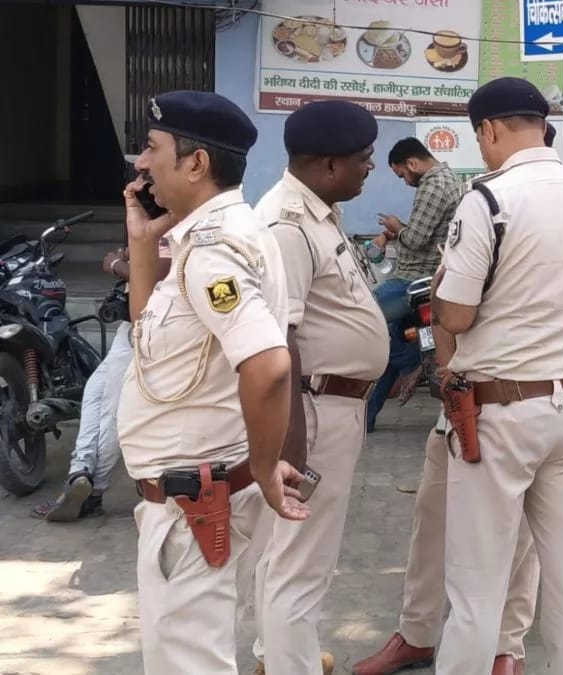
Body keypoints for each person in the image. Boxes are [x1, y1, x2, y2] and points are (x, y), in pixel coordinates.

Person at [352, 123, 561, 675]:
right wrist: (445, 373)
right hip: (467, 395)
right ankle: (417, 633)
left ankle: (505, 648)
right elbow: (446, 301)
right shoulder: (484, 203)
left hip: (523, 399)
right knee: (433, 516)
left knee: (515, 535)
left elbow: (457, 309)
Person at [431, 76, 563, 675]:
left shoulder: (487, 199)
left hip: (500, 414)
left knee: (476, 586)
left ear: (488, 129)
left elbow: (455, 315)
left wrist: (445, 290)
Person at [119, 90, 308, 674]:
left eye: (153, 148)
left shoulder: (213, 250)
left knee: (188, 662)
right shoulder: (213, 237)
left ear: (196, 163)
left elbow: (268, 365)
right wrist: (143, 245)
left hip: (193, 504)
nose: (141, 163)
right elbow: (151, 338)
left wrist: (264, 466)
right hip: (197, 495)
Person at [245, 101, 390, 675]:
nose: (370, 166)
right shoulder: (287, 225)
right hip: (311, 410)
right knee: (302, 563)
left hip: (327, 403)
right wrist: (293, 447)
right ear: (329, 165)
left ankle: (280, 654)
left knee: (285, 553)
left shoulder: (317, 213)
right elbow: (278, 339)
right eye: (363, 158)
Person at [32, 243, 170, 521]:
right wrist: (128, 254)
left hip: (149, 329)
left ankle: (93, 492)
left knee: (113, 411)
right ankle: (80, 471)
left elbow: (157, 276)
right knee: (94, 393)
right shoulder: (157, 227)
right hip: (130, 325)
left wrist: (117, 265)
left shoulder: (178, 225)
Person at [365, 138, 464, 432]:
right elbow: (427, 233)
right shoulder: (447, 180)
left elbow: (417, 239)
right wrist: (394, 234)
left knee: (364, 315)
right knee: (390, 343)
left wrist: (395, 226)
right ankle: (367, 417)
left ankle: (412, 362)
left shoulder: (433, 185)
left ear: (412, 163)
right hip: (424, 274)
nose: (406, 182)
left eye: (403, 175)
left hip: (414, 279)